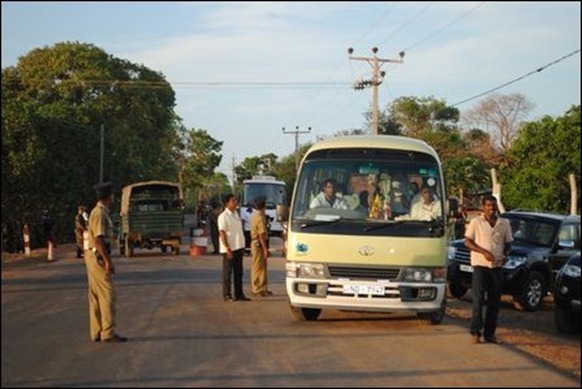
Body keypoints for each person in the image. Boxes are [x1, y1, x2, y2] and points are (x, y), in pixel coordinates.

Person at [464, 194, 512, 344]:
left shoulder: (504, 223)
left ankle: (490, 333)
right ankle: (475, 332)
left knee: (494, 302)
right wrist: (484, 252)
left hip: (496, 266)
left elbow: (508, 243)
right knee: (478, 300)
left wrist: (505, 254)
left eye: (493, 206)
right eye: (488, 206)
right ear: (483, 207)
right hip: (480, 265)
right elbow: (468, 241)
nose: (491, 209)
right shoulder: (476, 222)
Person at [84, 182, 127, 343]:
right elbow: (99, 239)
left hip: (93, 255)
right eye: (113, 195)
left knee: (95, 294)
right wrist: (108, 262)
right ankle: (108, 332)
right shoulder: (100, 214)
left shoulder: (98, 212)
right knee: (108, 294)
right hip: (98, 257)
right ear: (109, 196)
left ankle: (97, 331)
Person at [218, 194, 250, 302]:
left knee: (238, 272)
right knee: (227, 273)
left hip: (238, 247)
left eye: (236, 200)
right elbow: (222, 233)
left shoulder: (236, 214)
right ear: (227, 203)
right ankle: (227, 295)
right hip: (229, 249)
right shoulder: (223, 216)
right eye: (233, 201)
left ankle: (239, 294)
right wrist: (227, 248)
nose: (235, 202)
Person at [250, 197, 272, 297]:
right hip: (258, 244)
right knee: (258, 267)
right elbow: (261, 235)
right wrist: (265, 249)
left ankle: (263, 288)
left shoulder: (254, 215)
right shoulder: (260, 218)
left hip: (256, 243)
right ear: (264, 207)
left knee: (262, 267)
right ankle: (257, 288)